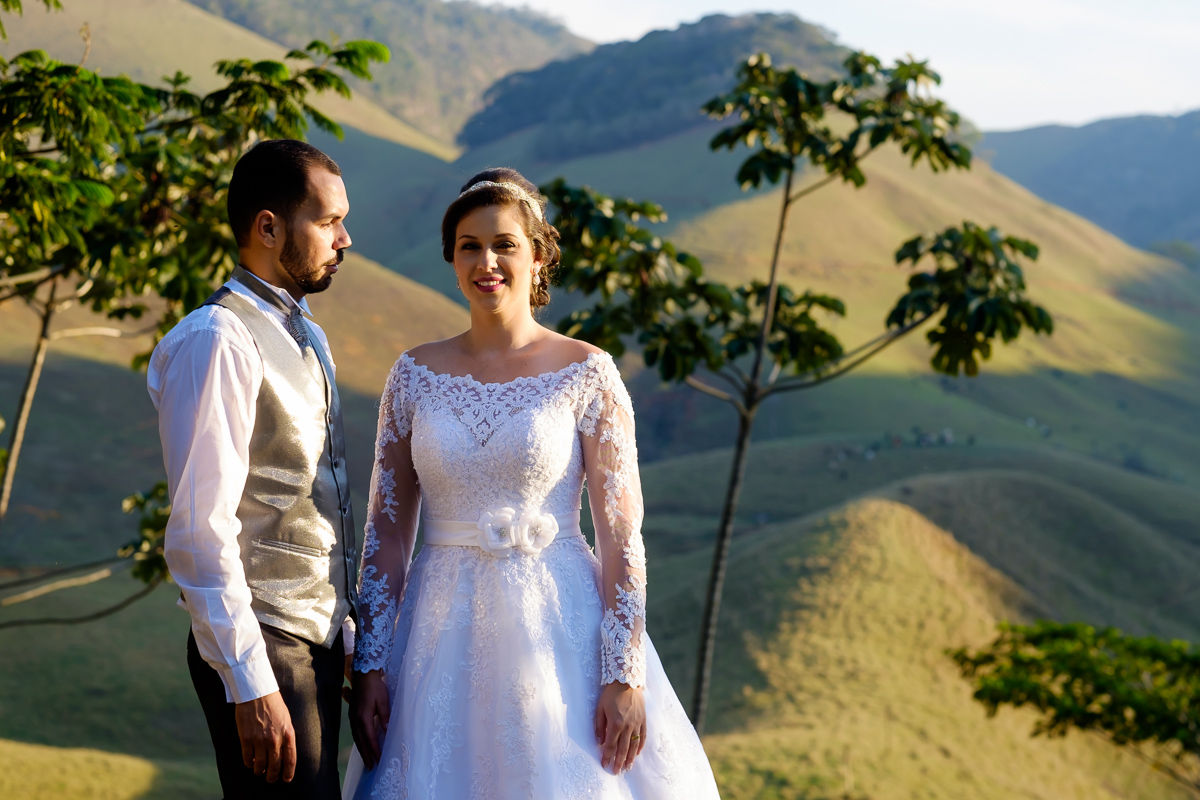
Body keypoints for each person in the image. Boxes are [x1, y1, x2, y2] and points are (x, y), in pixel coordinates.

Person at [344, 168, 721, 799]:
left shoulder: (587, 372)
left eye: (504, 244)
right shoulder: (412, 375)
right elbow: (385, 532)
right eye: (469, 246)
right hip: (436, 636)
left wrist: (624, 671)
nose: (486, 261)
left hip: (560, 628)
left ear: (538, 255)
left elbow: (621, 535)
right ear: (452, 258)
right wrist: (372, 664)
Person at [148, 139, 359, 799]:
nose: (344, 239)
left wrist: (345, 634)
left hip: (311, 641)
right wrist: (250, 684)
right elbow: (198, 532)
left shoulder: (308, 332)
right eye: (328, 221)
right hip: (265, 647)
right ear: (269, 228)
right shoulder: (216, 339)